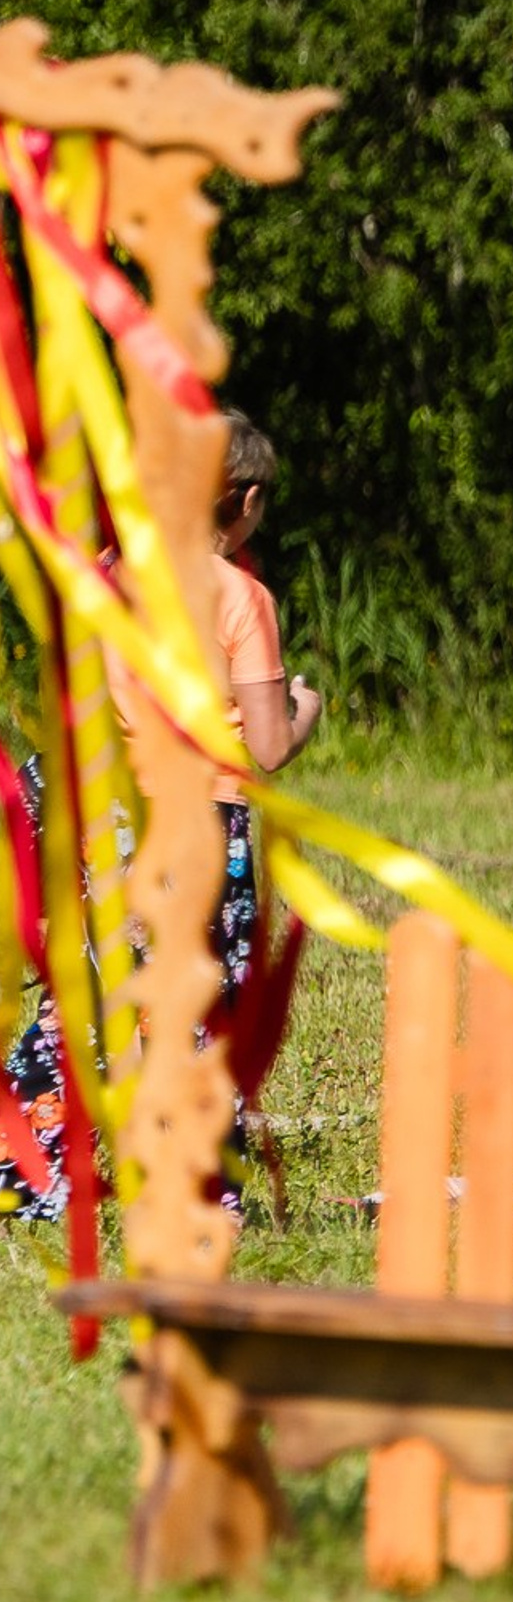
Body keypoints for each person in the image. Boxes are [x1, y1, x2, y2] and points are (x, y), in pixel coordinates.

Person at [1, 408, 321, 1223]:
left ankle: (27, 1171)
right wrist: (304, 707)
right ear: (243, 499)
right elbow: (272, 748)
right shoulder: (241, 597)